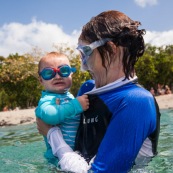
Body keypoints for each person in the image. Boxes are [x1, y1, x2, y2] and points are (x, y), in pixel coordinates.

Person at [37, 10, 160, 172]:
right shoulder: (87, 89)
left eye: (86, 52)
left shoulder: (136, 101)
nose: (83, 63)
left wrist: (52, 134)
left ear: (111, 49)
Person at [35, 52, 90, 172]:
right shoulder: (47, 100)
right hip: (56, 160)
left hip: (75, 154)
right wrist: (76, 105)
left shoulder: (69, 97)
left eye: (63, 70)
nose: (57, 76)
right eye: (49, 73)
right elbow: (50, 116)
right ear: (41, 80)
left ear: (71, 74)